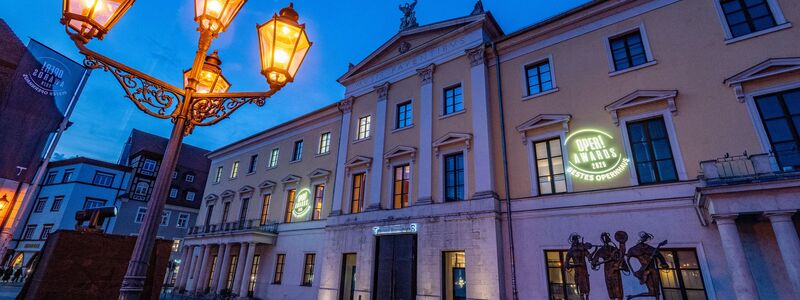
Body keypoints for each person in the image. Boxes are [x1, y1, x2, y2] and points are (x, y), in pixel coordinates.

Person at [564, 233, 592, 300]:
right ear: (573, 241)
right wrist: (568, 265)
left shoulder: (582, 249)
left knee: (587, 288)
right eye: (574, 240)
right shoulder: (571, 251)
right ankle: (582, 297)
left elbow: (589, 256)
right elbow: (567, 262)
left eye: (577, 240)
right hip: (578, 272)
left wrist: (590, 257)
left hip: (584, 271)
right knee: (581, 289)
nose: (576, 242)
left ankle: (587, 297)